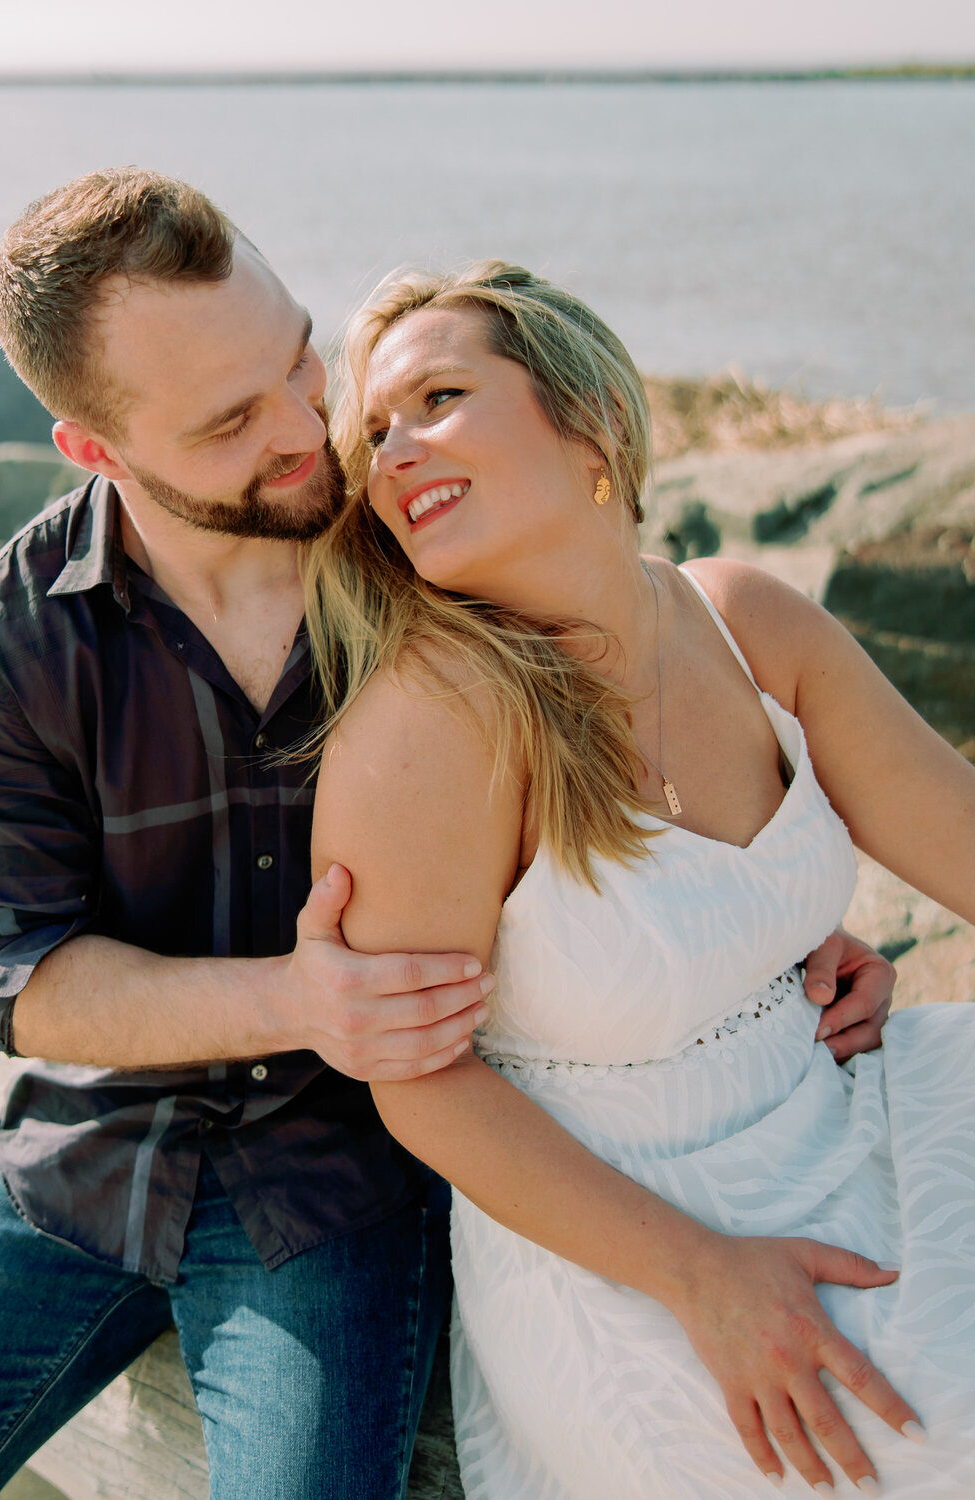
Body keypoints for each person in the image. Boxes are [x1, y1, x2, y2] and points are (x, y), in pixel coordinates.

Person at [0, 173, 893, 1500]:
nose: (303, 430)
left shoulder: (425, 552)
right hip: (86, 1162)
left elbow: (643, 758)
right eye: (230, 421)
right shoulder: (17, 635)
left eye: (298, 359)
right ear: (95, 450)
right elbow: (9, 976)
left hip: (341, 1187)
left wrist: (770, 938)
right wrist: (299, 998)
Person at [305, 260, 975, 1498]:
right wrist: (701, 1279)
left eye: (439, 398)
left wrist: (788, 973)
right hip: (627, 1249)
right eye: (376, 431)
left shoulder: (745, 620)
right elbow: (422, 1085)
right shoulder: (432, 721)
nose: (393, 452)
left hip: (846, 1117)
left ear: (594, 418)